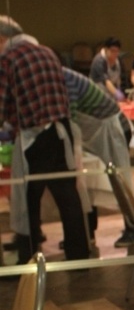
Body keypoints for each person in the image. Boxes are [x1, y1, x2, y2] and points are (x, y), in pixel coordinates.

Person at [0, 17, 90, 264]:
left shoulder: (9, 59)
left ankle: (27, 258)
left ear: (3, 39)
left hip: (35, 137)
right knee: (67, 197)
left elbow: (2, 100)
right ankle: (79, 255)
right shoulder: (48, 52)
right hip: (61, 132)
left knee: (27, 199)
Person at [63, 67, 134, 248]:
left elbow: (71, 120)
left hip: (112, 128)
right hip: (98, 132)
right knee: (89, 180)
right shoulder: (63, 78)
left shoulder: (66, 81)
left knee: (122, 181)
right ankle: (87, 231)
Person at [90, 36, 126, 101]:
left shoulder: (118, 60)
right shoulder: (99, 60)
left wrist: (120, 90)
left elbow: (119, 78)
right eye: (112, 51)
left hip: (111, 93)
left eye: (117, 51)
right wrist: (116, 93)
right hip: (98, 94)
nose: (115, 54)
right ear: (106, 49)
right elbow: (106, 81)